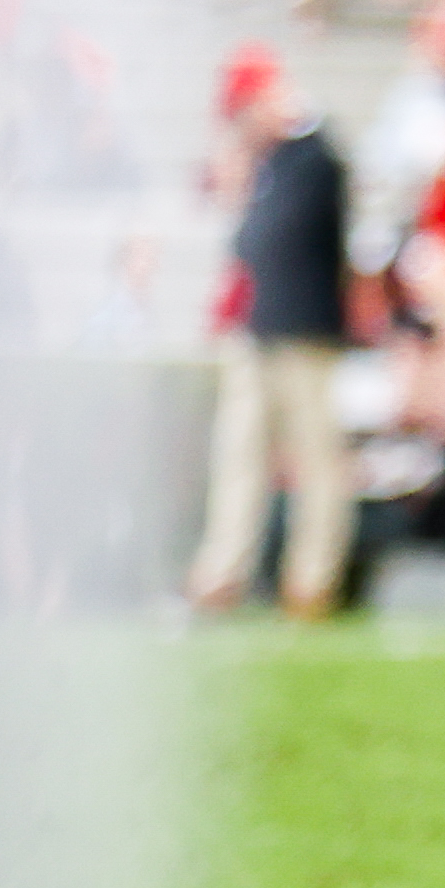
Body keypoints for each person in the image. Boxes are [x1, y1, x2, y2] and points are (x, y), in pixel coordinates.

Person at [182, 51, 355, 620]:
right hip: (260, 330)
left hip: (305, 333)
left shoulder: (315, 156)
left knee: (317, 460)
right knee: (239, 456)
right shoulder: (275, 162)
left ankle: (313, 580)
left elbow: (279, 236)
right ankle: (223, 571)